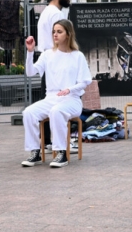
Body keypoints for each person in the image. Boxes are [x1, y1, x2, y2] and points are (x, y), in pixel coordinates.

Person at [21, 19, 91, 168]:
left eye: (59, 31)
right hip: (51, 98)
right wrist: (30, 52)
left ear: (68, 34)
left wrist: (69, 89)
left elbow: (85, 81)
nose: (55, 35)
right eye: (54, 31)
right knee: (28, 112)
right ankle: (35, 151)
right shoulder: (47, 54)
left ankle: (61, 153)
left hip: (72, 99)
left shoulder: (78, 56)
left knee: (56, 111)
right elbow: (30, 72)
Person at [37, 0, 73, 153]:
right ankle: (59, 141)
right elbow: (59, 39)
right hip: (53, 60)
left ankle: (46, 141)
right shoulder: (55, 14)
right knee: (61, 100)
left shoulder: (46, 12)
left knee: (48, 101)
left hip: (47, 58)